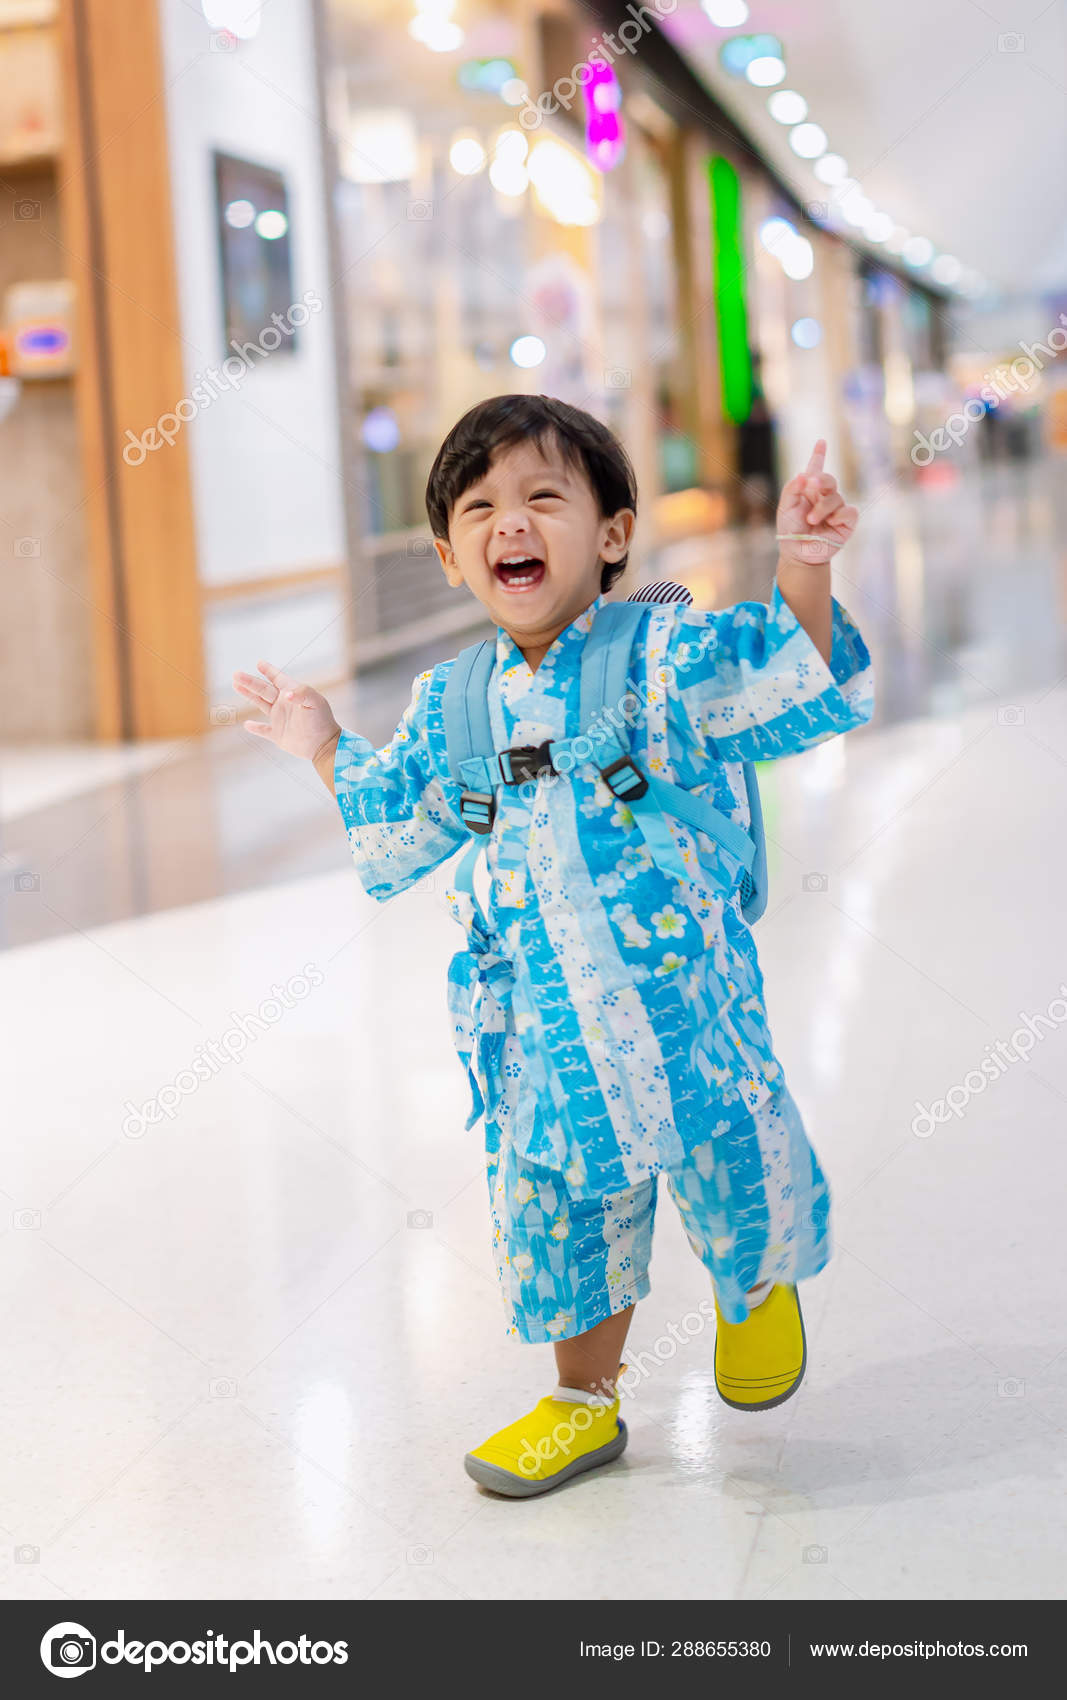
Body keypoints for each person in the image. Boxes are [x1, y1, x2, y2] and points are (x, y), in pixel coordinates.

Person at [233, 394, 872, 1499]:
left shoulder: (662, 654)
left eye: (542, 496)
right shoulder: (451, 702)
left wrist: (803, 567)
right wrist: (324, 742)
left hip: (682, 1003)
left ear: (612, 533)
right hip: (541, 1026)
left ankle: (752, 1284)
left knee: (728, 1150)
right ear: (450, 557)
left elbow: (781, 679)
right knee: (555, 1202)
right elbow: (398, 815)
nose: (509, 524)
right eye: (478, 509)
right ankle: (582, 1398)